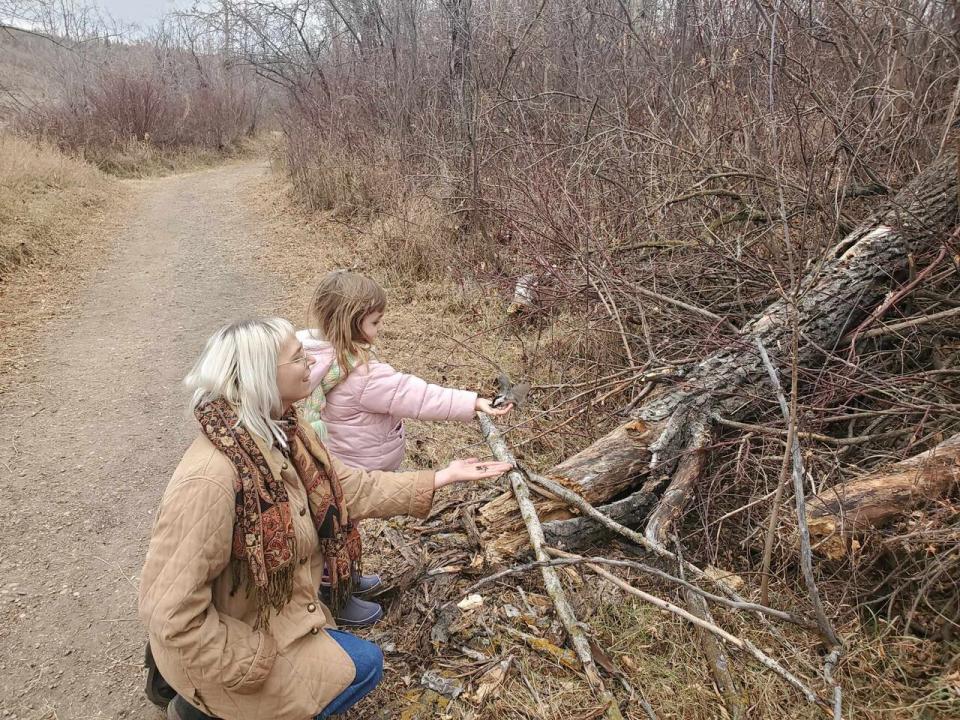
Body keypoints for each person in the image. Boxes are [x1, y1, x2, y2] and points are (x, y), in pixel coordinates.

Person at [138, 318, 510, 720]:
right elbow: (169, 612)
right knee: (365, 666)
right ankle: (196, 711)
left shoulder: (285, 432)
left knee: (356, 661)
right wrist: (250, 664)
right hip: (239, 641)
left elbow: (348, 487)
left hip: (267, 613)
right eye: (298, 357)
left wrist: (442, 476)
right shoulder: (210, 479)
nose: (311, 363)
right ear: (260, 375)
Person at [297, 270, 514, 624]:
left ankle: (346, 580)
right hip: (357, 470)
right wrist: (473, 402)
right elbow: (419, 396)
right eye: (375, 322)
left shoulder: (313, 355)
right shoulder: (365, 375)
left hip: (332, 463)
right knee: (337, 535)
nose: (379, 329)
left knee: (337, 530)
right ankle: (334, 596)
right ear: (353, 323)